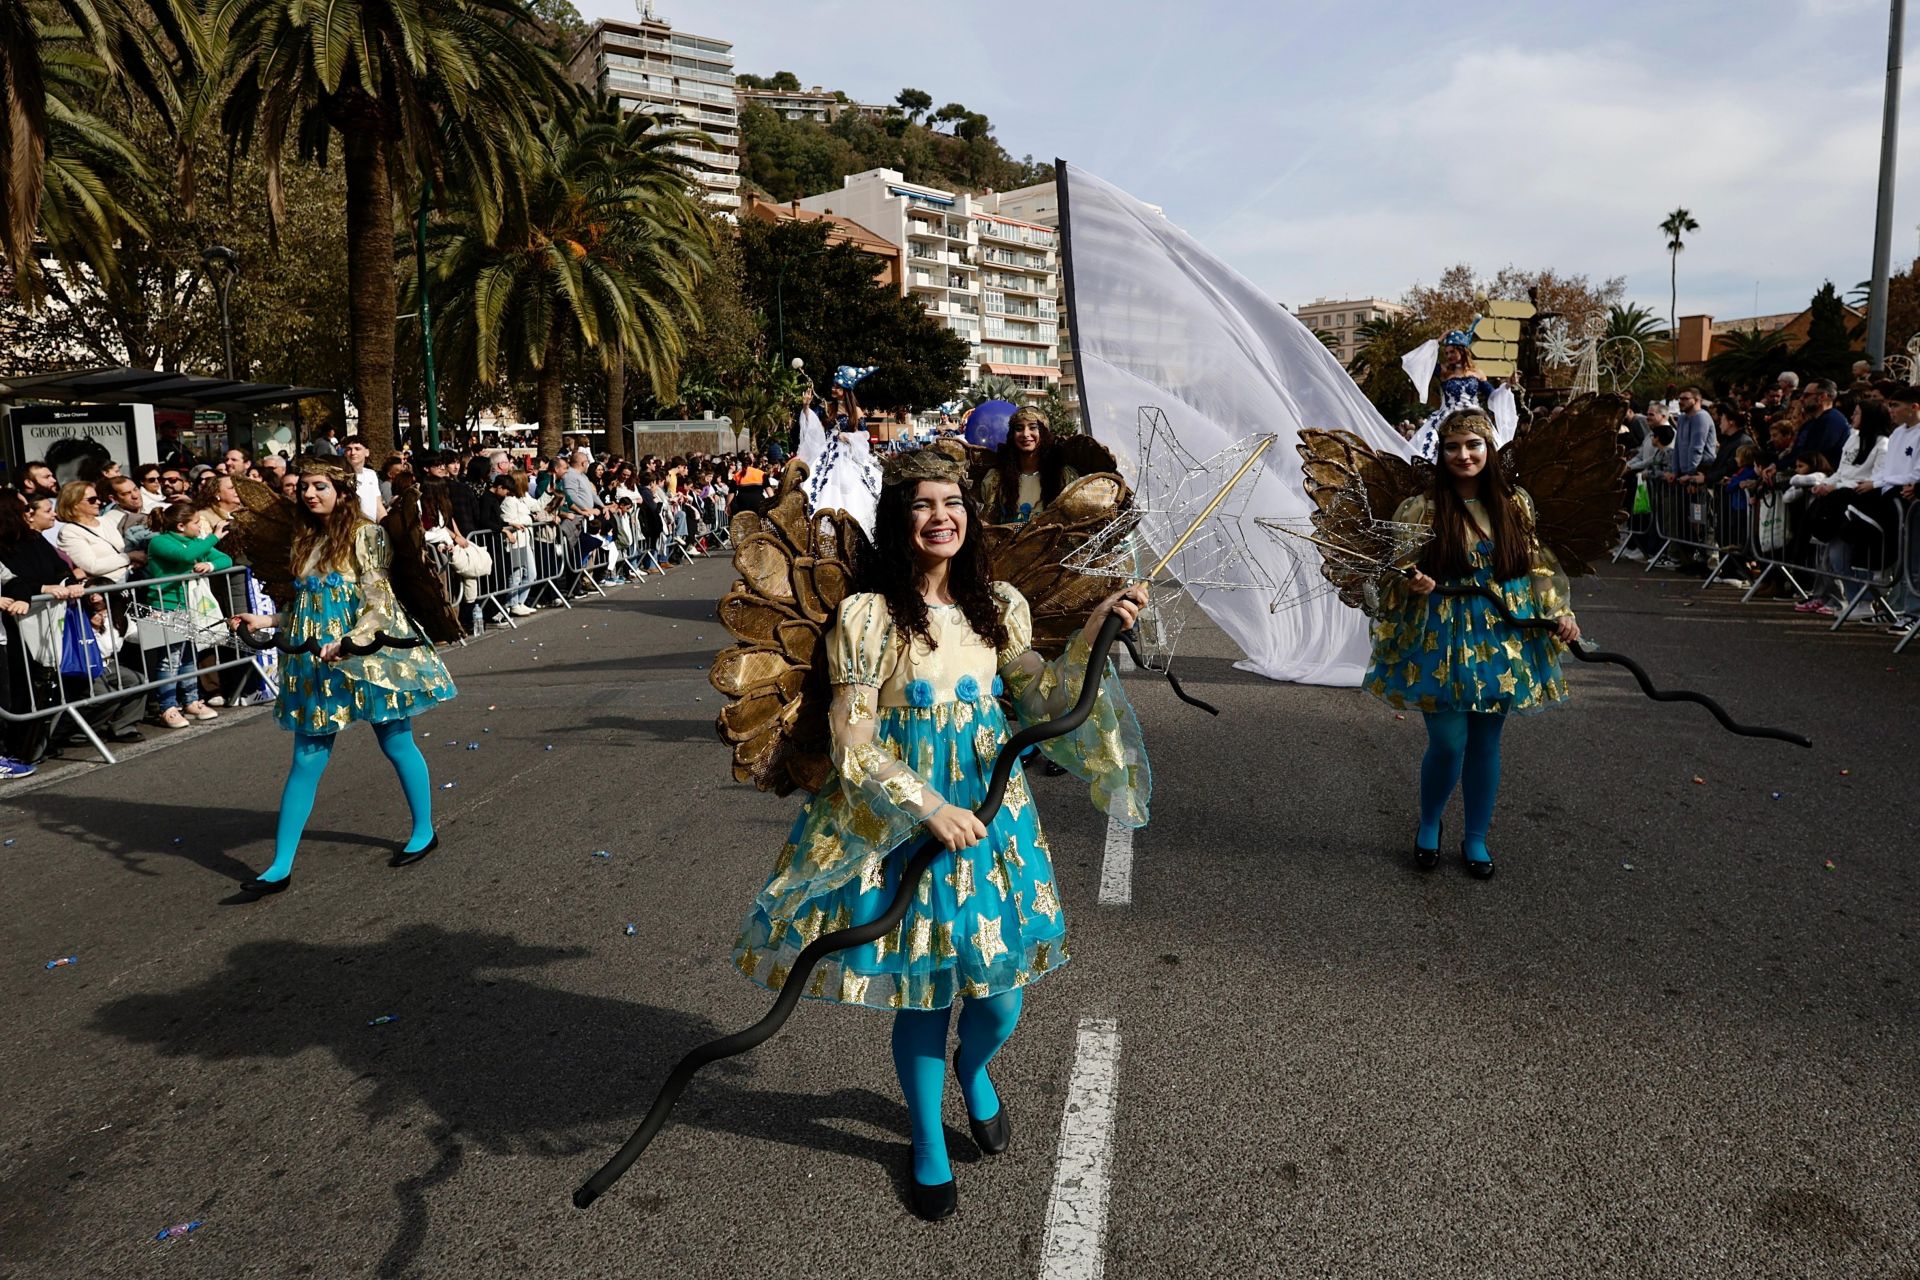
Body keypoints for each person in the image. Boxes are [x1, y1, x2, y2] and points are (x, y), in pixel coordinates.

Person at [729, 447, 1151, 1221]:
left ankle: (976, 1069)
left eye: (951, 502)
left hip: (995, 822)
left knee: (1001, 1000)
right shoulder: (869, 616)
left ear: (969, 514)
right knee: (924, 995)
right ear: (901, 520)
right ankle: (925, 1141)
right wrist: (926, 806)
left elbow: (1044, 699)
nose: (940, 516)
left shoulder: (1001, 606)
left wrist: (1093, 628)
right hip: (908, 829)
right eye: (922, 504)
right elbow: (853, 738)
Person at [1364, 408, 1581, 879]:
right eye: (1453, 447)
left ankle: (1477, 837)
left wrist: (1560, 612)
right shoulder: (1422, 507)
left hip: (1503, 633)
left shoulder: (1514, 502)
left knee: (1486, 740)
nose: (1464, 455)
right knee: (1447, 741)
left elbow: (1536, 565)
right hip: (1440, 633)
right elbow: (1390, 571)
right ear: (1440, 453)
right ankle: (1428, 824)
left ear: (1490, 449)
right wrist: (1412, 581)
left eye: (1473, 445)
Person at [226, 460, 456, 895]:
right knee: (306, 759)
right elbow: (308, 606)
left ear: (342, 491)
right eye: (304, 488)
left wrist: (351, 640)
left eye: (319, 487)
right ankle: (279, 866)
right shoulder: (305, 539)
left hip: (369, 657)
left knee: (396, 742)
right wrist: (264, 619)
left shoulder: (366, 536)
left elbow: (379, 602)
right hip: (313, 662)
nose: (309, 494)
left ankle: (424, 830)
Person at [144, 502, 227, 729]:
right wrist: (214, 537)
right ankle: (167, 707)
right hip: (164, 606)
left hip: (191, 606)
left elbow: (225, 560)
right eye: (196, 523)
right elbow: (185, 556)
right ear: (181, 526)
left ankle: (191, 701)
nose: (200, 527)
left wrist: (209, 564)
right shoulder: (158, 541)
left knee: (189, 656)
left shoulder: (196, 542)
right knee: (168, 659)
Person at [797, 384, 882, 535]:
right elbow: (813, 423)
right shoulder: (827, 407)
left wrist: (848, 436)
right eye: (833, 386)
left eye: (837, 387)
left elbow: (864, 435)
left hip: (848, 455)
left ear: (845, 390)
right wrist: (806, 407)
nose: (833, 389)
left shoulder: (856, 411)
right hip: (827, 454)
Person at [976, 408, 1078, 525]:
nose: (1025, 434)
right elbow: (988, 525)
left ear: (1043, 433)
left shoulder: (1063, 477)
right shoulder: (995, 479)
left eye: (1033, 427)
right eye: (1019, 429)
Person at [54, 481, 132, 583]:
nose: (98, 502)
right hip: (107, 588)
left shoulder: (106, 520)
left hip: (130, 580)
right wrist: (129, 557)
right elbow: (92, 567)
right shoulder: (69, 532)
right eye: (92, 500)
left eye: (98, 498)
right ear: (74, 504)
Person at [342, 436, 384, 520]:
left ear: (367, 452)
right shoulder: (341, 476)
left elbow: (379, 507)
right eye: (349, 449)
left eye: (357, 449)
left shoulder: (371, 475)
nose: (353, 452)